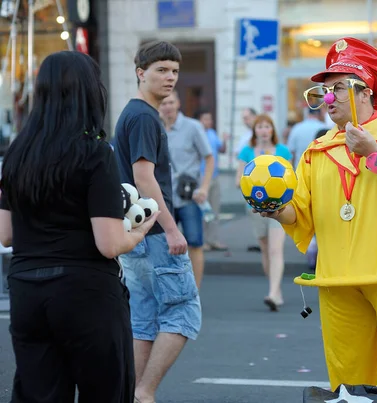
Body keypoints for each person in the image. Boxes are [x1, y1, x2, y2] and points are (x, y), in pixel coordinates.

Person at [257, 37, 377, 403]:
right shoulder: (316, 153)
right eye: (323, 90)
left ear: (366, 93)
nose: (328, 98)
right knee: (349, 382)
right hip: (340, 281)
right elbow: (298, 214)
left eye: (338, 88)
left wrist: (374, 155)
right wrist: (271, 207)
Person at [0, 51, 158, 402]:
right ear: (90, 93)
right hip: (84, 292)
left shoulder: (16, 152)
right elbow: (109, 244)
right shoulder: (94, 152)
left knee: (38, 393)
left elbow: (6, 234)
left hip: (27, 291)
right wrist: (140, 230)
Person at [113, 41, 201, 403]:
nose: (170, 77)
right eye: (161, 70)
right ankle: (145, 393)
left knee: (145, 320)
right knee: (183, 313)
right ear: (140, 73)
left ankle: (134, 393)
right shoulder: (145, 116)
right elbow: (144, 177)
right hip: (152, 234)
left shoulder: (134, 114)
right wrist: (172, 228)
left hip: (135, 234)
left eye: (175, 71)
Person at [236, 114, 292, 311]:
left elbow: (290, 179)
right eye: (260, 126)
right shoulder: (247, 152)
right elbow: (238, 180)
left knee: (276, 249)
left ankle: (273, 293)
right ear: (255, 130)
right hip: (254, 208)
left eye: (267, 126)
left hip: (278, 207)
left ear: (272, 130)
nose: (264, 130)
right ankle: (275, 288)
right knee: (266, 248)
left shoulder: (283, 151)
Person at [159, 92, 215, 289]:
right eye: (164, 103)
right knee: (165, 246)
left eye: (171, 102)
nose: (167, 107)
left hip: (188, 196)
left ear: (178, 103)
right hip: (163, 198)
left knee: (194, 243)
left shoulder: (192, 127)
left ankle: (195, 292)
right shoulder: (155, 127)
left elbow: (209, 157)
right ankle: (172, 290)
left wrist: (205, 187)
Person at [197, 109, 229, 251]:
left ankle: (213, 240)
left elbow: (221, 150)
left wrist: (225, 141)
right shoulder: (197, 134)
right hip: (201, 178)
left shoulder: (212, 133)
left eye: (210, 119)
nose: (208, 122)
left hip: (214, 176)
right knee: (202, 211)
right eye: (205, 119)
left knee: (214, 210)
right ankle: (201, 241)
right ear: (199, 120)